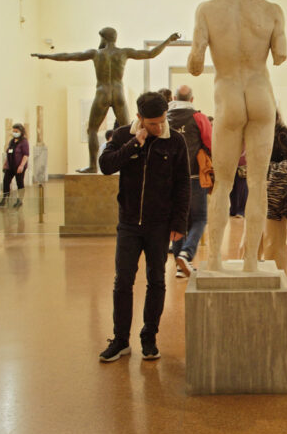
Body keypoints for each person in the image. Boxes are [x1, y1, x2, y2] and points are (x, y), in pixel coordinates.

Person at [188, 0, 287, 271]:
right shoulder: (272, 10)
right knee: (257, 184)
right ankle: (250, 263)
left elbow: (195, 64)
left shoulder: (207, 9)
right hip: (260, 95)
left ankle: (215, 260)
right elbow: (281, 55)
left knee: (223, 185)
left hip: (228, 95)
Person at [97, 92, 190, 362]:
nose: (159, 127)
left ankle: (149, 337)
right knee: (123, 281)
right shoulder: (122, 135)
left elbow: (183, 184)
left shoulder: (176, 141)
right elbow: (106, 166)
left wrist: (179, 222)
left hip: (159, 224)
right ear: (139, 118)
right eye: (152, 124)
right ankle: (120, 340)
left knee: (157, 280)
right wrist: (134, 145)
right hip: (128, 223)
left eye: (162, 121)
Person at [31, 28, 181, 173]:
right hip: (118, 93)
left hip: (102, 93)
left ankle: (92, 166)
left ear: (103, 38)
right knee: (127, 128)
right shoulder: (123, 53)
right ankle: (131, 157)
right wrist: (168, 40)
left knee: (92, 129)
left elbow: (69, 56)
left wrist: (46, 56)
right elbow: (151, 53)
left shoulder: (96, 53)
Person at [165, 84, 213, 278]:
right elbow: (210, 142)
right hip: (193, 176)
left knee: (178, 219)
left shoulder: (165, 118)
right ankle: (186, 253)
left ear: (174, 98)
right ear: (192, 100)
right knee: (199, 218)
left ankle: (180, 266)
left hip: (170, 179)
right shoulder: (199, 118)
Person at [261, 111, 287, 271]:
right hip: (262, 197)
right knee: (253, 245)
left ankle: (277, 282)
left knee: (274, 246)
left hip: (276, 201)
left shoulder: (282, 135)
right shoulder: (262, 133)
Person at [0, 123, 30, 208]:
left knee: (19, 183)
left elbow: (26, 155)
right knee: (6, 181)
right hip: (10, 166)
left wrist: (21, 166)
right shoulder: (12, 141)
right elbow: (8, 152)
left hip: (19, 166)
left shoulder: (24, 142)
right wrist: (5, 164)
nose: (15, 133)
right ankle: (5, 199)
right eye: (14, 131)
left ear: (21, 132)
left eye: (16, 131)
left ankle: (20, 200)